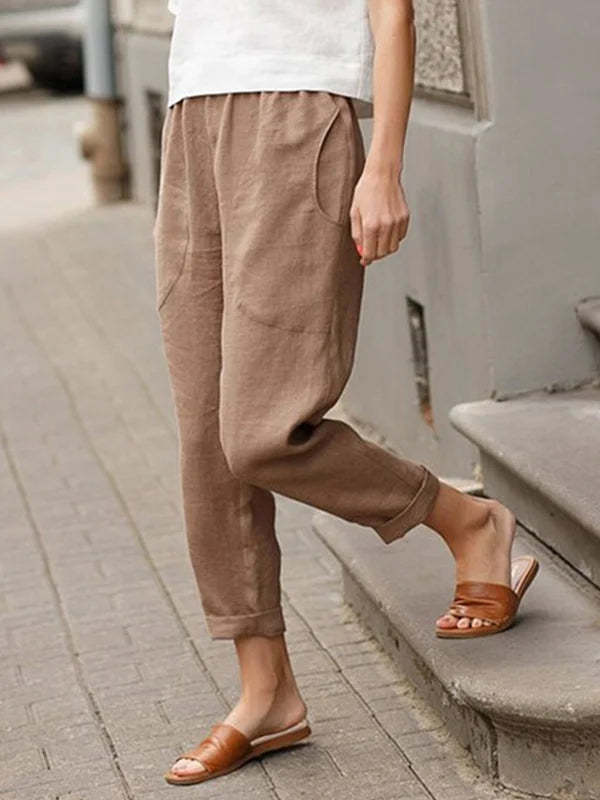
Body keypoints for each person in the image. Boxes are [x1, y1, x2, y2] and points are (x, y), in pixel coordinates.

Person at [153, 0, 539, 786]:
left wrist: (384, 165)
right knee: (205, 437)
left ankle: (467, 521)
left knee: (261, 433)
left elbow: (392, 14)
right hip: (190, 117)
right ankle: (266, 694)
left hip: (297, 117)